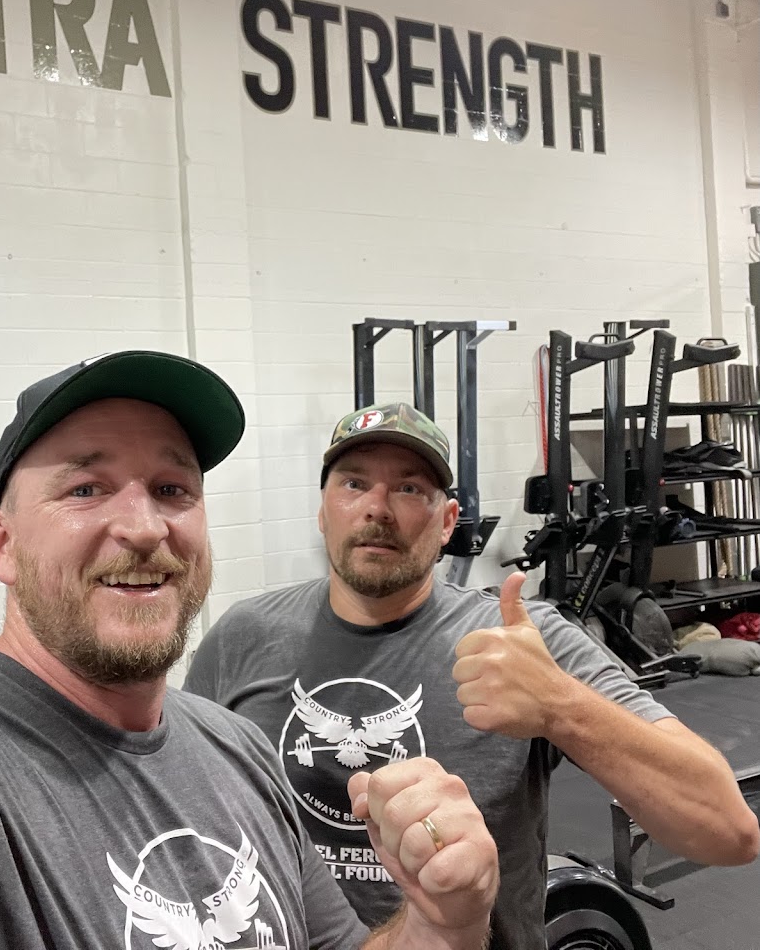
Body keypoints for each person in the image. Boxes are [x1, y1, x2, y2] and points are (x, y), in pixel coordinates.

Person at [0, 354, 499, 950]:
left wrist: (440, 924)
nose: (143, 527)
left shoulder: (238, 749)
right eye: (85, 488)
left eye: (171, 490)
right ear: (2, 545)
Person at [185, 401, 760, 950]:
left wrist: (560, 706)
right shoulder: (243, 638)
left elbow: (728, 831)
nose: (377, 508)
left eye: (409, 488)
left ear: (447, 522)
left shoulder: (519, 641)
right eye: (354, 484)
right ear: (323, 511)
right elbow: (187, 818)